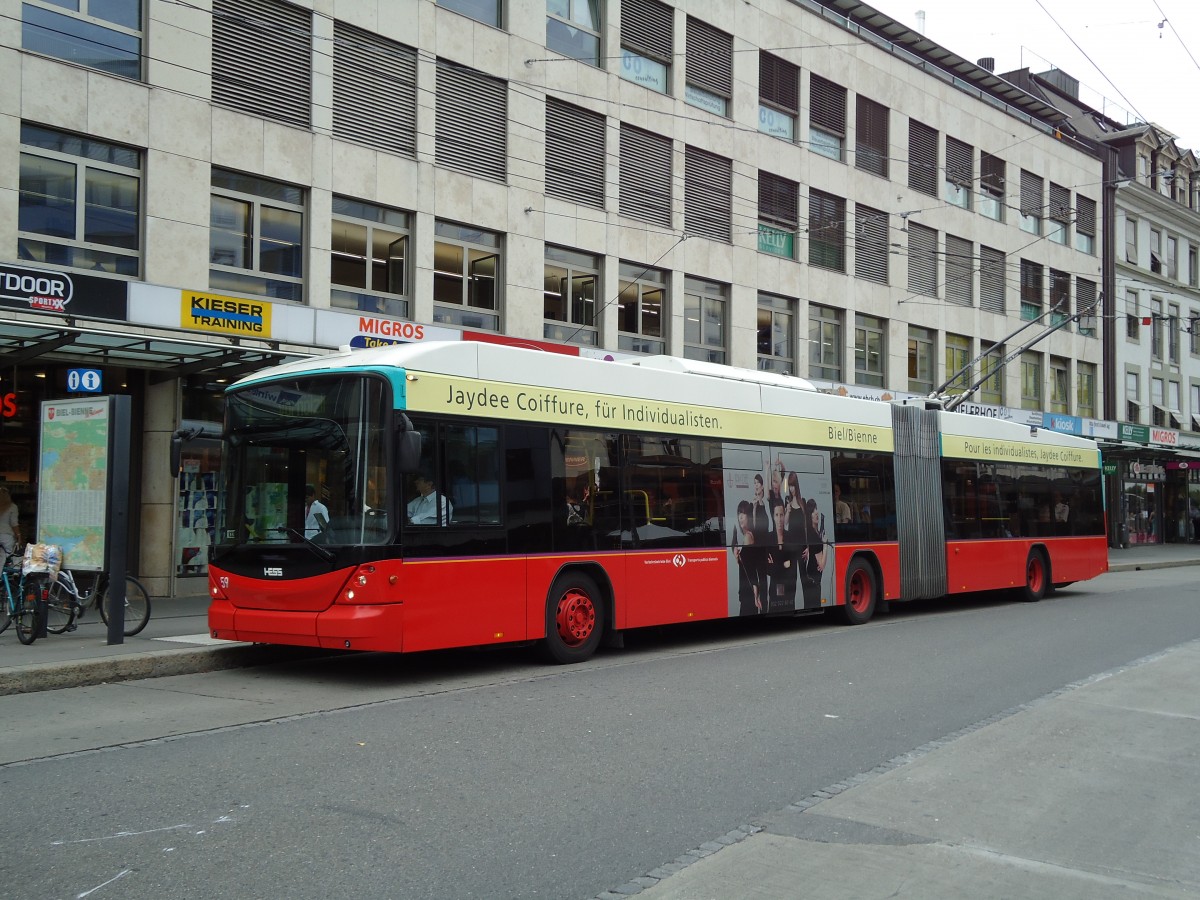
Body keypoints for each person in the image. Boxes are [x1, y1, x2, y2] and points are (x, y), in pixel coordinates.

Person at [730, 500, 763, 615]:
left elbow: (750, 569)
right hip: (746, 592)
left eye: (743, 514)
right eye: (739, 513)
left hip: (748, 592)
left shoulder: (747, 537)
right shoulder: (745, 536)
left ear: (748, 516)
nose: (740, 517)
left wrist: (755, 594)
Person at [765, 501, 797, 613]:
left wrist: (775, 565)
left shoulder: (791, 537)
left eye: (782, 515)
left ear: (785, 516)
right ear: (773, 517)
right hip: (774, 588)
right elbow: (768, 569)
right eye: (776, 515)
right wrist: (783, 564)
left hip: (789, 587)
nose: (779, 519)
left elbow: (792, 566)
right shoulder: (768, 538)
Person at [0, 486, 21, 570]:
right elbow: (14, 524)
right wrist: (19, 536)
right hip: (6, 537)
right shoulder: (12, 507)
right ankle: (9, 577)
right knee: (10, 557)